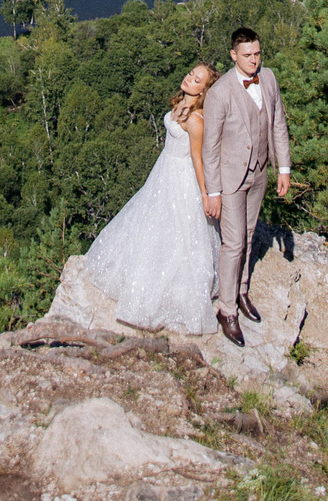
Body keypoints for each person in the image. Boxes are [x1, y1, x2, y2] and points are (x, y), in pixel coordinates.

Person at [76, 61, 224, 333]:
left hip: (181, 178)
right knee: (152, 227)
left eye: (197, 79)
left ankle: (169, 293)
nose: (189, 78)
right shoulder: (181, 104)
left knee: (180, 235)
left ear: (204, 90)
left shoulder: (195, 118)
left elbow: (197, 158)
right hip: (164, 171)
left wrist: (206, 194)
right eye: (191, 73)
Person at [201, 26, 290, 346]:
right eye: (248, 55)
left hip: (260, 174)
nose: (254, 60)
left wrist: (283, 168)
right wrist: (213, 192)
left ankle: (241, 291)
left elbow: (278, 122)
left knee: (250, 235)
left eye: (258, 54)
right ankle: (226, 311)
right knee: (234, 243)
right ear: (233, 55)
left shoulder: (269, 79)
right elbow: (209, 147)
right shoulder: (220, 92)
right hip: (230, 180)